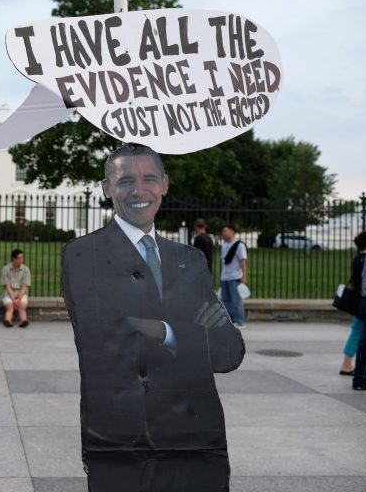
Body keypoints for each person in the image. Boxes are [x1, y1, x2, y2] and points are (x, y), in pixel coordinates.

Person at [61, 143, 245, 492]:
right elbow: (109, 343)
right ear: (106, 188)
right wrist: (188, 330)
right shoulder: (83, 255)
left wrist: (162, 331)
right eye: (125, 179)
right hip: (121, 440)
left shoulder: (190, 260)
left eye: (149, 178)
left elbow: (228, 352)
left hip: (197, 439)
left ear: (165, 183)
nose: (139, 190)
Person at [350, 230, 366, 390]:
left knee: (364, 339)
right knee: (364, 340)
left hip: (362, 302)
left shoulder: (358, 259)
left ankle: (361, 375)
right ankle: (360, 378)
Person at [220, 224, 248, 329]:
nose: (223, 234)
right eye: (223, 232)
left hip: (235, 277)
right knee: (226, 301)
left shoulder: (239, 245)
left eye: (225, 231)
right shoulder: (224, 246)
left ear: (232, 232)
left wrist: (244, 276)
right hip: (225, 277)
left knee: (235, 301)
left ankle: (240, 321)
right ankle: (231, 320)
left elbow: (243, 261)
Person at [0, 248, 31, 328]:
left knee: (22, 306)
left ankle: (23, 321)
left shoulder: (26, 270)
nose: (22, 260)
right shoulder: (6, 269)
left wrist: (19, 298)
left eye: (22, 257)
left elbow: (24, 287)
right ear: (14, 259)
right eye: (20, 258)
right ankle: (7, 320)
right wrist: (13, 299)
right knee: (10, 306)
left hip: (21, 292)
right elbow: (7, 286)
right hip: (9, 292)